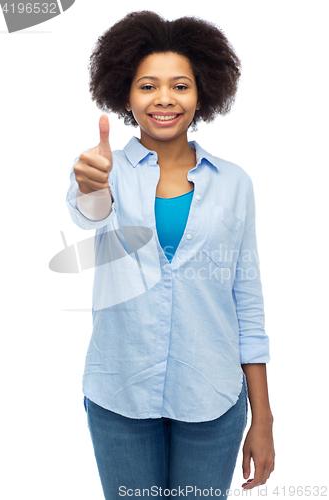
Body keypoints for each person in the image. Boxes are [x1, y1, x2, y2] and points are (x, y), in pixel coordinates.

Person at [66, 10, 275, 499]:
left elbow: (247, 299)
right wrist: (92, 186)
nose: (164, 99)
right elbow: (91, 212)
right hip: (119, 394)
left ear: (202, 92)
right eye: (147, 86)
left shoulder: (235, 184)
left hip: (213, 399)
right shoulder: (102, 169)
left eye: (179, 85)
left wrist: (263, 416)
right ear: (125, 94)